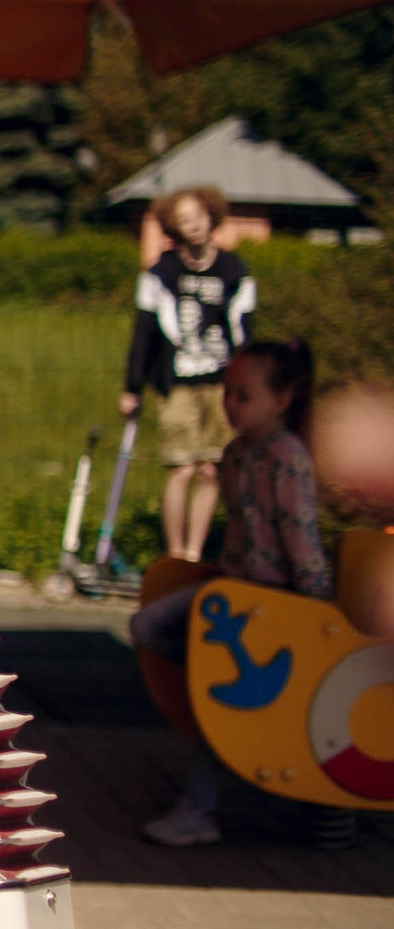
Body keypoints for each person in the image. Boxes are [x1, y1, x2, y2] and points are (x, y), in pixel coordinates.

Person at [130, 339, 331, 847]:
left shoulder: (287, 458)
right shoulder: (237, 454)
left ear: (280, 400)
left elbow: (300, 538)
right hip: (233, 593)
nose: (229, 403)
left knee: (219, 694)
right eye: (227, 392)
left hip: (269, 604)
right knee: (151, 627)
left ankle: (200, 807)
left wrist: (319, 613)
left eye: (243, 394)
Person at [122, 186, 255, 563]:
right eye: (183, 221)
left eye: (197, 218)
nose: (192, 226)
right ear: (173, 227)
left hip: (221, 385)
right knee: (181, 469)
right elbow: (143, 333)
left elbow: (247, 331)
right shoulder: (161, 274)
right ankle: (175, 554)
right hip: (176, 383)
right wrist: (132, 387)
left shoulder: (234, 271)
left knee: (211, 471)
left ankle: (196, 554)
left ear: (212, 218)